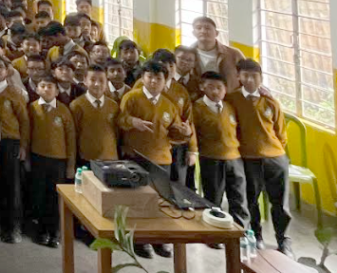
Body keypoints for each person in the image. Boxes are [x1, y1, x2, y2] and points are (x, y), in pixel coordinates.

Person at [117, 61, 191, 259]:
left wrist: (185, 133)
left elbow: (174, 133)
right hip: (135, 157)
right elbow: (119, 121)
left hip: (161, 159)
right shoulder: (131, 98)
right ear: (143, 78)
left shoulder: (169, 104)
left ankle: (159, 239)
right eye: (149, 77)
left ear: (165, 81)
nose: (153, 82)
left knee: (161, 201)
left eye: (158, 78)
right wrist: (132, 122)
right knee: (138, 200)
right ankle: (140, 241)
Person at [228, 59, 292, 256]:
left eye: (254, 76)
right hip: (248, 158)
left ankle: (284, 240)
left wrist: (273, 151)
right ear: (238, 77)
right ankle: (256, 236)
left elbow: (281, 133)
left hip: (275, 158)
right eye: (245, 75)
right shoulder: (231, 99)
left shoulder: (270, 101)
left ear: (261, 78)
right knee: (250, 200)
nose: (249, 80)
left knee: (280, 202)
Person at [191, 71, 248, 236]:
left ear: (225, 89)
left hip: (234, 158)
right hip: (211, 159)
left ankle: (240, 233)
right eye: (211, 87)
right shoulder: (197, 108)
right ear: (202, 87)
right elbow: (193, 134)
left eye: (219, 88)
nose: (215, 91)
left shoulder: (229, 107)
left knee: (238, 197)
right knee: (213, 199)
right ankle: (214, 235)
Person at [28, 73, 76, 248]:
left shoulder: (64, 110)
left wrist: (70, 165)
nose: (46, 89)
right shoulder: (32, 108)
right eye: (42, 86)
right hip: (38, 158)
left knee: (55, 198)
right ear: (37, 89)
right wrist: (27, 158)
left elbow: (71, 139)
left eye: (50, 87)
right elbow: (28, 133)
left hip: (58, 161)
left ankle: (55, 233)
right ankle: (41, 231)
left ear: (56, 91)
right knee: (39, 195)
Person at [0, 56, 29, 244]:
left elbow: (24, 121)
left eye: (0, 67)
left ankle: (13, 228)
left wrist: (23, 146)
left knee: (11, 186)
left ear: (7, 71)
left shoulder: (14, 92)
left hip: (10, 143)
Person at [70, 65, 118, 168]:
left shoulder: (113, 105)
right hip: (86, 158)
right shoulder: (77, 105)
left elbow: (116, 132)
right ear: (85, 81)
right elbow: (74, 134)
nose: (97, 84)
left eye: (101, 80)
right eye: (93, 80)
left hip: (111, 158)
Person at [191, 17, 244, 91]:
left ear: (216, 33)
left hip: (230, 96)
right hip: (198, 97)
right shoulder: (187, 55)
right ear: (193, 33)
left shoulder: (233, 54)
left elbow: (247, 75)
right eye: (199, 28)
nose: (203, 31)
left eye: (207, 28)